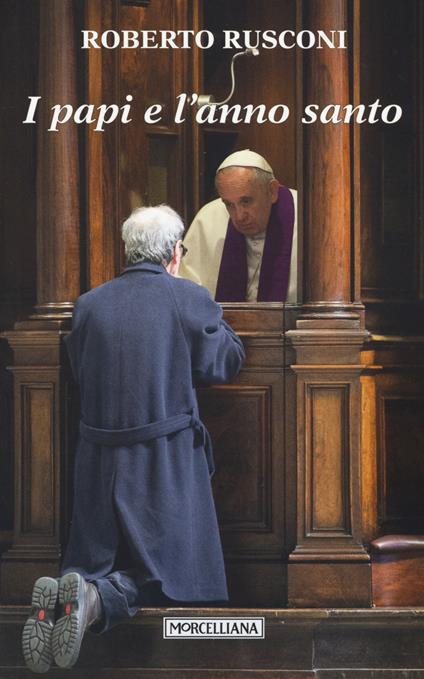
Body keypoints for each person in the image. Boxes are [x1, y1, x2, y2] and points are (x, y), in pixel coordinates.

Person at [22, 204, 245, 673]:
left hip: (98, 462)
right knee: (170, 576)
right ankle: (95, 598)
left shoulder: (89, 303)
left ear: (127, 251)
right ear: (174, 253)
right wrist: (217, 317)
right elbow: (224, 362)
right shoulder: (187, 297)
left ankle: (79, 587)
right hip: (163, 462)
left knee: (104, 555)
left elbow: (81, 372)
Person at [179, 149, 297, 303]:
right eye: (229, 204)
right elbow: (187, 292)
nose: (239, 216)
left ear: (272, 191)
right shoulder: (208, 218)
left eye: (246, 201)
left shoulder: (306, 215)